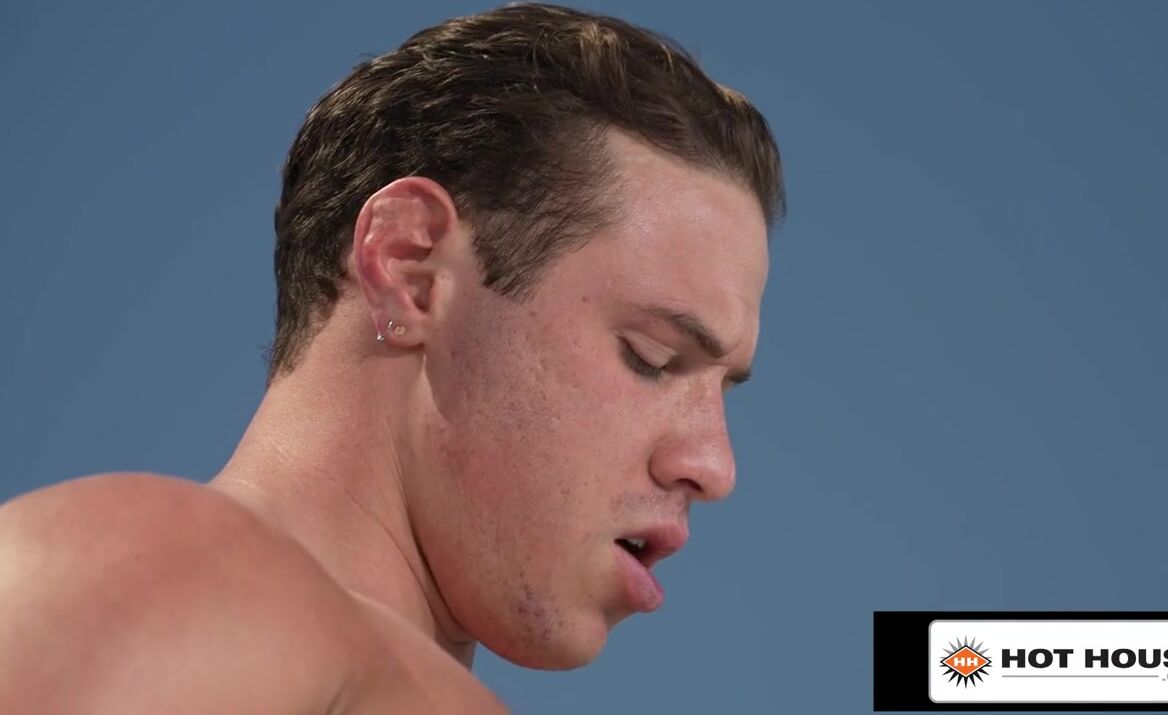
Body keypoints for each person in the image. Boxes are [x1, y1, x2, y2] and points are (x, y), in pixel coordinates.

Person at [0, 3, 784, 712]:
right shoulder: (177, 573)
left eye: (724, 388)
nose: (714, 466)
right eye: (651, 357)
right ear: (411, 270)